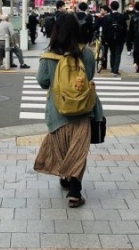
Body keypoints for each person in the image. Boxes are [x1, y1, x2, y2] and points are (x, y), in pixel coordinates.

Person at [33, 12, 104, 208]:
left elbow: (42, 82)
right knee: (78, 149)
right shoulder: (86, 53)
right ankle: (75, 192)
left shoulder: (48, 56)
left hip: (58, 110)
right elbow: (89, 75)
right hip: (83, 108)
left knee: (62, 145)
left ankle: (66, 179)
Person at [101, 0, 127, 76]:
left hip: (110, 38)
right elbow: (125, 28)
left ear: (111, 7)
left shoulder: (107, 17)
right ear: (118, 7)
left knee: (112, 53)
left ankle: (113, 68)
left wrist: (104, 38)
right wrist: (124, 38)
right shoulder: (122, 16)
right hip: (120, 38)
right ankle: (115, 70)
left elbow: (104, 29)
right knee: (118, 54)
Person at [126, 1, 139, 72]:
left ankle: (137, 65)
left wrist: (129, 42)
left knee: (136, 53)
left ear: (135, 8)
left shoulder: (133, 17)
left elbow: (130, 30)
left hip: (136, 38)